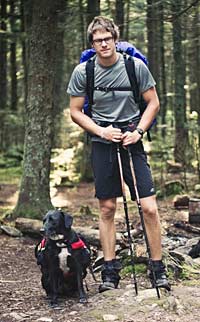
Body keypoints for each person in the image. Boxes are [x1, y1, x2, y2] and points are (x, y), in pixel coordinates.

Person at [67, 16, 170, 293]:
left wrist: (138, 131)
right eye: (98, 40)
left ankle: (158, 269)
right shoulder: (83, 72)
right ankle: (110, 272)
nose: (103, 44)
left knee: (148, 207)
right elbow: (75, 111)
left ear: (115, 38)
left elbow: (153, 103)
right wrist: (101, 131)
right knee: (107, 208)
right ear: (92, 43)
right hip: (103, 141)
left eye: (107, 38)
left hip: (132, 138)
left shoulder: (134, 67)